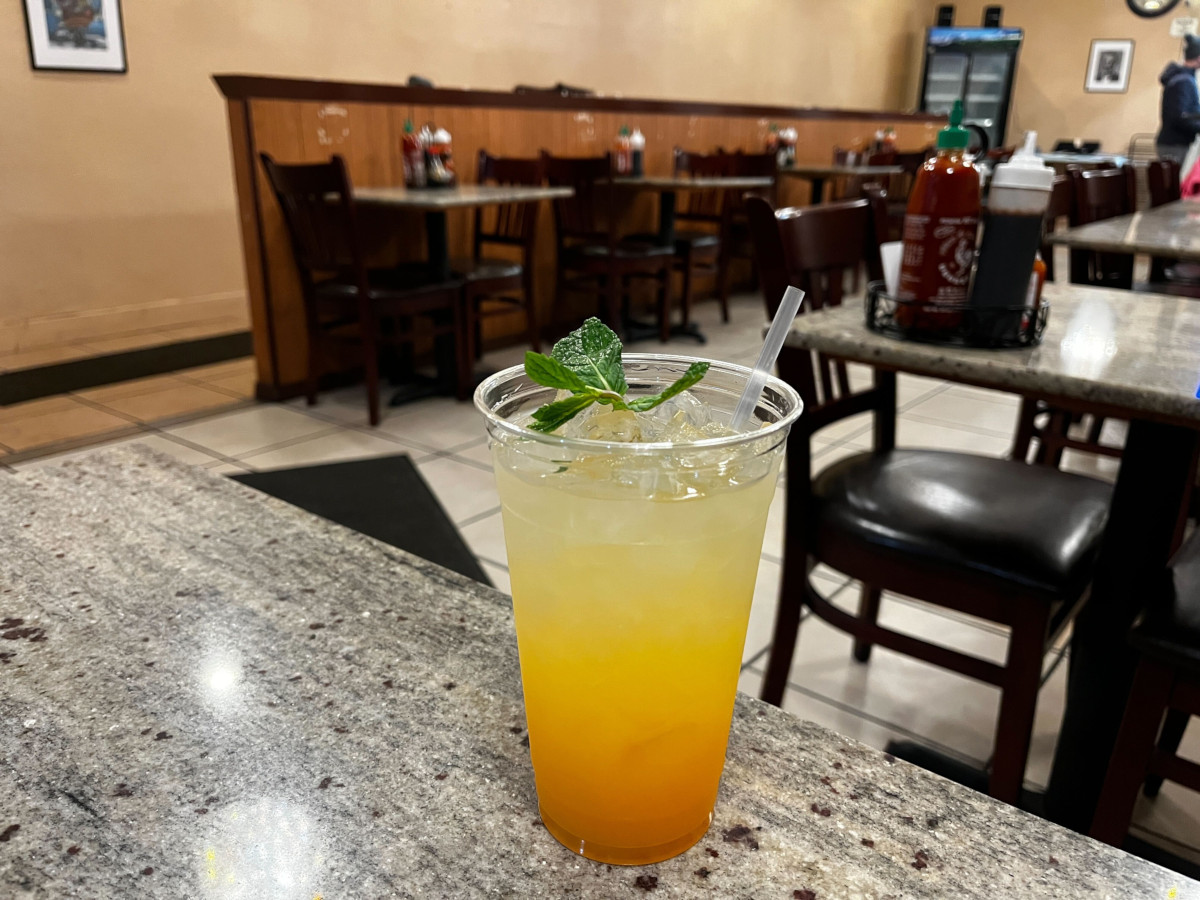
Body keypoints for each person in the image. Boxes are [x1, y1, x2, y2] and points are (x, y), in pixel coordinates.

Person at [1158, 34, 1200, 163]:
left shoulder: (1182, 79)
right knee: (1171, 183)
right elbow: (1180, 116)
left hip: (1173, 143)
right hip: (1174, 145)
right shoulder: (1184, 81)